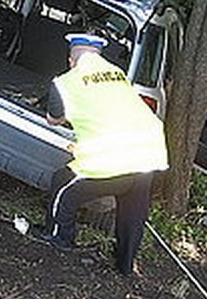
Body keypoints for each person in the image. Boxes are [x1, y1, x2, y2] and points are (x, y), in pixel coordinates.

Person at [34, 32, 169, 275]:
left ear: (71, 60)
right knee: (132, 212)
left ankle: (58, 237)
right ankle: (124, 265)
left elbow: (53, 119)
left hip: (111, 158)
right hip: (150, 152)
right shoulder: (117, 75)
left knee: (62, 185)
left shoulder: (66, 82)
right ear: (98, 55)